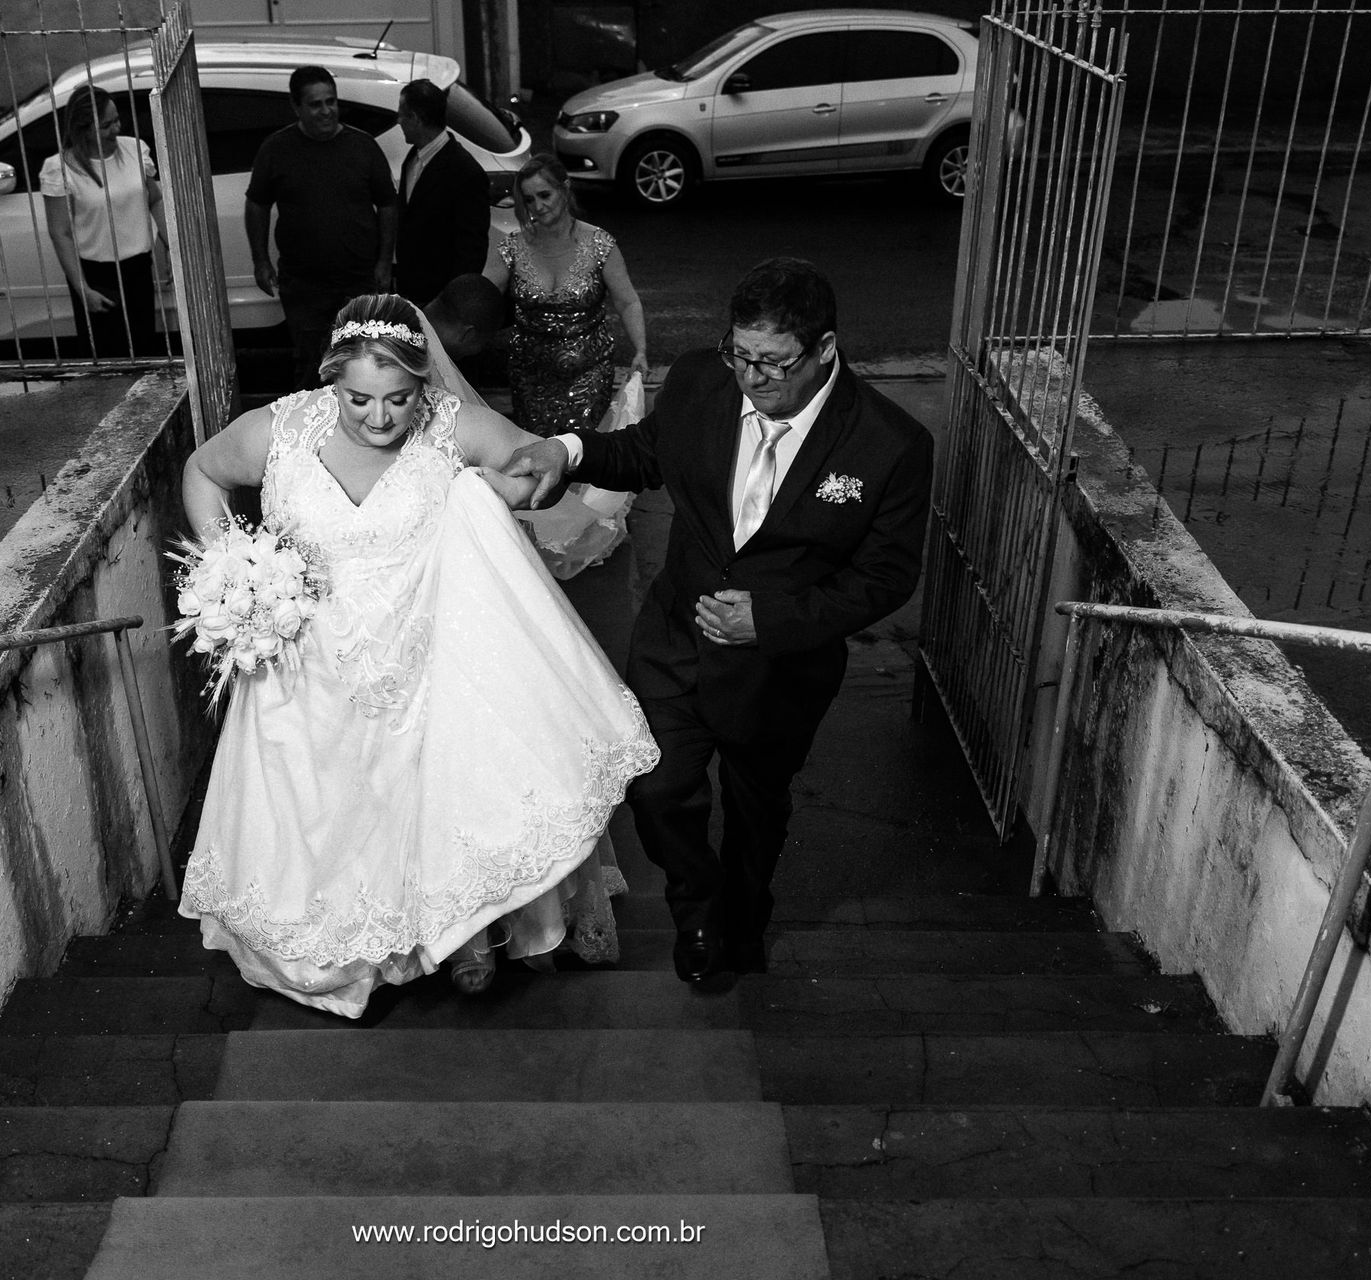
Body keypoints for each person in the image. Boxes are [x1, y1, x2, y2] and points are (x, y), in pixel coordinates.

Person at [177, 293, 657, 1018]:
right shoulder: (275, 430)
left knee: (432, 805)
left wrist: (491, 487)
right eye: (358, 399)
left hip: (421, 656)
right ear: (329, 379)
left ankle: (450, 936)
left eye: (398, 399)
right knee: (316, 814)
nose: (379, 418)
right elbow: (202, 473)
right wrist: (233, 568)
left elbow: (535, 469)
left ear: (423, 384)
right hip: (303, 669)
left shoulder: (453, 427)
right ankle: (331, 946)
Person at [504, 258, 934, 984]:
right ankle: (698, 913)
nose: (752, 377)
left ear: (825, 349)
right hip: (675, 639)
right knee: (656, 788)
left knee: (756, 809)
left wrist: (773, 620)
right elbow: (649, 452)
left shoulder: (890, 446)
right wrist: (569, 451)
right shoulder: (706, 378)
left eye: (773, 363)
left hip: (781, 672)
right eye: (742, 355)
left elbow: (888, 576)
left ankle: (744, 915)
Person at [246, 66, 398, 390]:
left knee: (364, 360)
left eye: (331, 101)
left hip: (358, 280)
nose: (326, 111)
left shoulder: (363, 146)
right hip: (304, 286)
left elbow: (387, 204)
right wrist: (260, 260)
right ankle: (310, 433)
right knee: (311, 364)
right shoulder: (277, 149)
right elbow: (257, 203)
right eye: (316, 104)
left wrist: (384, 261)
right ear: (296, 107)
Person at [482, 155, 647, 437]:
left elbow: (627, 301)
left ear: (565, 188)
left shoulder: (599, 243)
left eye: (545, 195)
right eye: (529, 199)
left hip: (589, 373)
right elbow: (481, 295)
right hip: (530, 375)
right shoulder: (513, 246)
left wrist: (641, 350)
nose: (538, 206)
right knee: (536, 450)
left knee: (583, 452)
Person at [42, 85, 165, 359]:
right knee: (108, 358)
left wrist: (169, 246)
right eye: (106, 124)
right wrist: (83, 289)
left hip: (138, 269)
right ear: (83, 128)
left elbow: (154, 198)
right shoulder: (59, 168)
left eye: (117, 120)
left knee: (144, 350)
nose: (116, 129)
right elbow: (60, 232)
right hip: (97, 276)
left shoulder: (135, 150)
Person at [394, 79, 491, 311]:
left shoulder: (465, 172)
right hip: (411, 294)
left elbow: (472, 249)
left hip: (439, 301)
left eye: (402, 115)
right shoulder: (414, 158)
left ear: (416, 119)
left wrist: (450, 303)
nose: (398, 121)